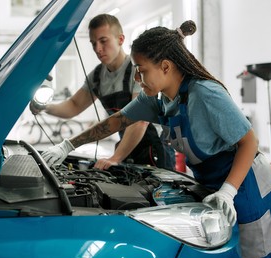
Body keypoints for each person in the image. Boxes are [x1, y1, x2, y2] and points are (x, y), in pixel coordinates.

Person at [41, 20, 271, 258]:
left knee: (257, 253)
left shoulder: (205, 93)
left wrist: (228, 191)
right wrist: (68, 145)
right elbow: (116, 121)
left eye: (141, 69)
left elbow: (249, 142)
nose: (137, 78)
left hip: (245, 180)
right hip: (212, 182)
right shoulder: (157, 100)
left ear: (165, 67)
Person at [31, 14, 174, 170]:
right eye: (93, 43)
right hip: (125, 150)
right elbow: (73, 105)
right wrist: (44, 107)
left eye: (103, 41)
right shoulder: (97, 77)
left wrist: (115, 158)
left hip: (155, 150)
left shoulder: (138, 70)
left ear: (120, 39)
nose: (98, 49)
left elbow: (139, 120)